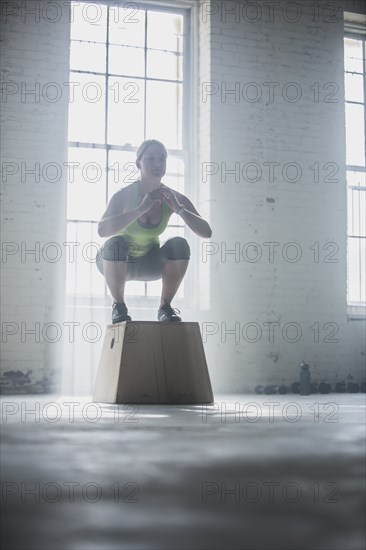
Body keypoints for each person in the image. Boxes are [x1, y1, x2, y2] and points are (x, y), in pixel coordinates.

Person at [96, 139, 212, 324]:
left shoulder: (172, 196)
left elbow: (207, 232)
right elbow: (102, 230)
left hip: (149, 263)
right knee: (115, 243)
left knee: (178, 244)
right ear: (138, 163)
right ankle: (119, 306)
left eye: (162, 159)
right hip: (117, 262)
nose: (157, 164)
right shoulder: (125, 194)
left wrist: (179, 209)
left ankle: (165, 308)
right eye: (150, 158)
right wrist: (140, 209)